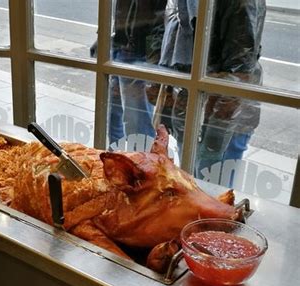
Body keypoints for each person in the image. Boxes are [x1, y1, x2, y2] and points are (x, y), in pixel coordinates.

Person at [159, 0, 266, 183]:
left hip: (220, 106)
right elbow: (175, 37)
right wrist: (168, 99)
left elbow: (240, 69)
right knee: (191, 178)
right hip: (193, 99)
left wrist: (216, 121)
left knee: (211, 182)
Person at [111, 0, 167, 142]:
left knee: (136, 125)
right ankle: (115, 160)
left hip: (138, 51)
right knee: (113, 116)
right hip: (122, 44)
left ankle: (139, 162)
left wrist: (152, 58)